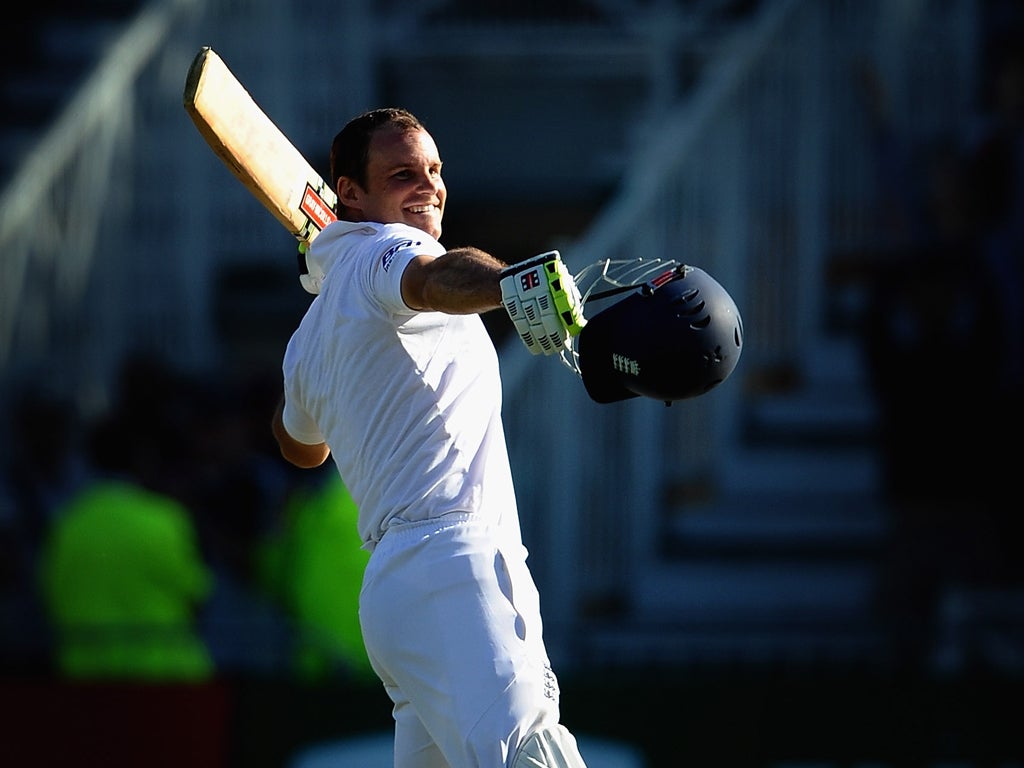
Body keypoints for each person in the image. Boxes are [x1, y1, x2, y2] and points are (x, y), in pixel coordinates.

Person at [271, 107, 588, 767]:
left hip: (394, 597)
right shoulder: (391, 251)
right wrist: (508, 286)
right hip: (454, 567)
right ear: (349, 194)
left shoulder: (306, 342)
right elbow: (432, 280)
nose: (429, 187)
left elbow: (301, 446)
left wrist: (324, 288)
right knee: (532, 755)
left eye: (434, 171)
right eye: (402, 174)